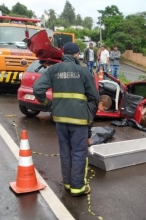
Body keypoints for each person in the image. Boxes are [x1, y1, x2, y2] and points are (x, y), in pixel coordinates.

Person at [33, 42, 99, 197]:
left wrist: (48, 105)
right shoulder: (83, 71)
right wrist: (89, 117)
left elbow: (37, 89)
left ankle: (68, 183)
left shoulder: (53, 70)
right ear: (77, 55)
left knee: (65, 152)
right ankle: (78, 188)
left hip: (60, 119)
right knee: (78, 152)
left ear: (63, 54)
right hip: (79, 121)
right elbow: (94, 98)